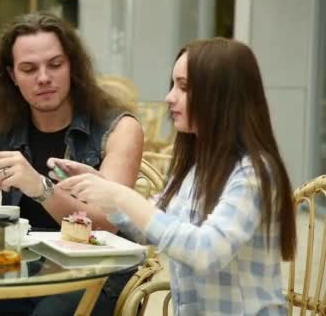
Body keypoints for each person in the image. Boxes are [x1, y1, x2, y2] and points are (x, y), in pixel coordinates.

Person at [0, 12, 143, 315]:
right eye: (28, 68)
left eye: (55, 65)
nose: (43, 78)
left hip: (97, 269)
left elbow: (107, 226)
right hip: (24, 267)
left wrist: (41, 188)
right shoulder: (1, 133)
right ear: (12, 76)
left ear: (72, 66)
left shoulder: (118, 129)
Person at [59, 37, 297, 315]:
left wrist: (121, 196)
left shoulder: (254, 171)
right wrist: (105, 190)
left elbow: (205, 252)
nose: (170, 97)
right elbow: (148, 227)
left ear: (221, 95)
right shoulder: (196, 167)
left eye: (184, 87)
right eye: (173, 85)